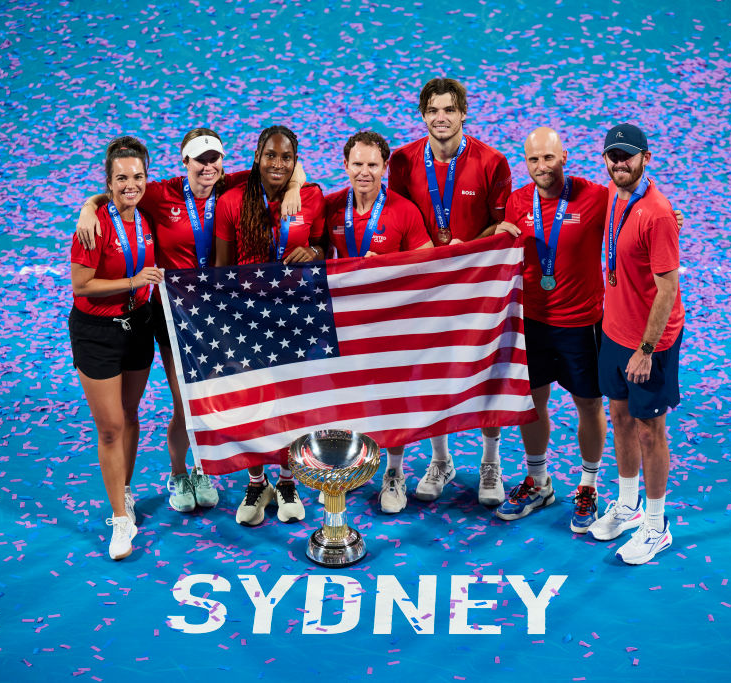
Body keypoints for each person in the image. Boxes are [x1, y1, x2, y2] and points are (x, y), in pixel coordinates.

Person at [73, 129, 305, 516]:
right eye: (199, 160)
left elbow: (281, 168)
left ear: (222, 163)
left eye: (214, 159)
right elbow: (117, 193)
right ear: (185, 162)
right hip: (172, 313)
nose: (208, 166)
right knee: (184, 403)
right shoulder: (161, 193)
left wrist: (295, 186)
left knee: (212, 399)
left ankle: (202, 469)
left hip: (218, 315)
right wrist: (87, 205)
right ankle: (180, 473)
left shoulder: (232, 186)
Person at [387, 77, 513, 509]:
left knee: (486, 371)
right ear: (423, 115)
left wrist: (469, 248)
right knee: (430, 369)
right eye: (432, 111)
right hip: (425, 288)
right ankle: (441, 461)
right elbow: (395, 217)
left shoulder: (492, 163)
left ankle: (490, 462)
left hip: (476, 285)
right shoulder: (402, 162)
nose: (440, 118)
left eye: (449, 110)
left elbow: (502, 227)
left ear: (463, 113)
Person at [494, 128, 609, 529]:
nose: (541, 167)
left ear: (564, 157)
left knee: (589, 405)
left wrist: (669, 217)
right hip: (533, 323)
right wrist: (496, 236)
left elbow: (633, 212)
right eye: (533, 160)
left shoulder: (596, 196)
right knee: (533, 404)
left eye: (548, 158)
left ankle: (589, 485)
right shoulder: (517, 201)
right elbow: (505, 247)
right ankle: (538, 481)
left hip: (581, 324)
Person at [213, 125, 326, 527]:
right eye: (271, 155)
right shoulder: (230, 202)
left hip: (295, 318)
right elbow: (222, 269)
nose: (278, 163)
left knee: (292, 404)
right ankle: (257, 482)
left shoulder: (310, 197)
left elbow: (326, 247)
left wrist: (312, 250)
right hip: (250, 321)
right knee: (255, 404)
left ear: (295, 162)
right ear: (258, 156)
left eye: (286, 157)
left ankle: (288, 480)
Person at [587, 123, 684, 565]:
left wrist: (646, 350)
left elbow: (667, 290)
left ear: (647, 158)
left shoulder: (657, 212)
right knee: (620, 416)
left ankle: (657, 524)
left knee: (650, 428)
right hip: (614, 330)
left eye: (628, 156)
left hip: (650, 342)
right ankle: (628, 506)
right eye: (613, 156)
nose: (620, 164)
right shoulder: (613, 194)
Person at [323, 130, 433, 513]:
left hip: (389, 323)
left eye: (372, 165)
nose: (364, 172)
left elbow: (428, 265)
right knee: (342, 397)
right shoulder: (331, 207)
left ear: (385, 167)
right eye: (358, 164)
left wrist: (387, 268)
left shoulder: (403, 211)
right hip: (342, 323)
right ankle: (348, 465)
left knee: (392, 402)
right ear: (345, 165)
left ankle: (394, 473)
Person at [69, 136, 162, 560]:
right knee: (109, 427)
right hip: (98, 332)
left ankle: (122, 489)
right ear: (108, 183)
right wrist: (133, 282)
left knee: (130, 414)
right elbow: (81, 285)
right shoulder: (93, 226)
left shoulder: (146, 215)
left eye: (138, 176)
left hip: (138, 326)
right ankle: (120, 520)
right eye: (121, 178)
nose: (131, 184)